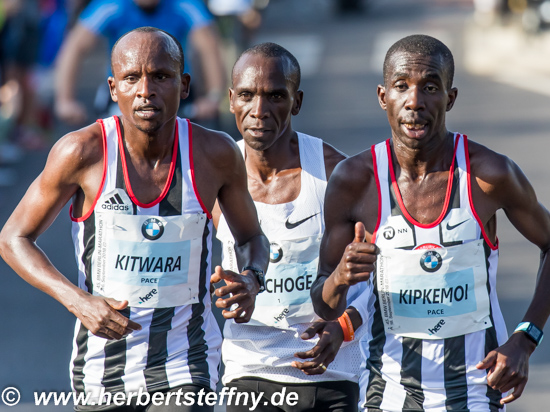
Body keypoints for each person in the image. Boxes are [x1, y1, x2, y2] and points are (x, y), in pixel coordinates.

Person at [0, 27, 269, 411]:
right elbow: (13, 238)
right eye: (131, 78)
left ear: (185, 84)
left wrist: (251, 278)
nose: (146, 90)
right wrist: (79, 301)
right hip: (102, 370)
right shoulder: (83, 152)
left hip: (187, 363)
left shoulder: (215, 154)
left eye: (161, 76)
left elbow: (251, 237)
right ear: (113, 89)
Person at [311, 34, 550, 411]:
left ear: (450, 98)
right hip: (386, 393)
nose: (415, 102)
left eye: (431, 87)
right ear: (382, 96)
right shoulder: (354, 181)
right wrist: (341, 276)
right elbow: (323, 305)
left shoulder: (488, 175)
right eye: (401, 86)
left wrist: (526, 337)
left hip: (475, 392)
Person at [213, 42, 367, 412]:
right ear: (231, 100)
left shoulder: (334, 173)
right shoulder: (215, 174)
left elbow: (380, 272)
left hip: (328, 375)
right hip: (246, 372)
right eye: (247, 96)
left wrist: (344, 324)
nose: (259, 111)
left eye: (275, 97)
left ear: (296, 103)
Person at [54, 0, 226, 127]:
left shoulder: (183, 5)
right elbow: (75, 47)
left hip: (174, 91)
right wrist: (65, 100)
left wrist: (213, 97)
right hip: (125, 92)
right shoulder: (111, 5)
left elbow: (209, 47)